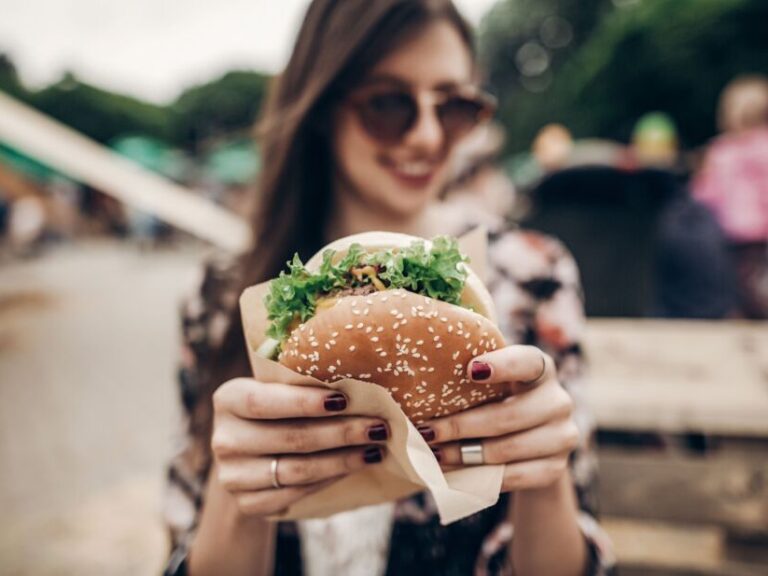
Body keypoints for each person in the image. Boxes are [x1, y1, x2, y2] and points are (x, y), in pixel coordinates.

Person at [163, 1, 615, 575]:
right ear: (321, 107)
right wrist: (239, 494)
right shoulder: (221, 297)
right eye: (388, 103)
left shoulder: (532, 276)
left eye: (454, 107)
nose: (427, 136)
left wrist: (544, 475)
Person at [692, 74, 768, 318]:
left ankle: (746, 312)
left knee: (739, 278)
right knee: (754, 279)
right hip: (761, 229)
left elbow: (705, 193)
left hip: (732, 229)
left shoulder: (721, 151)